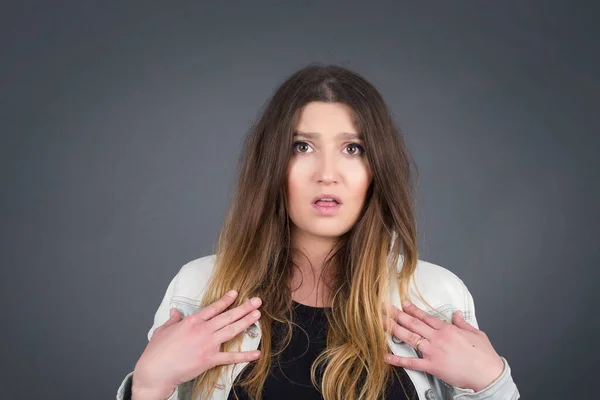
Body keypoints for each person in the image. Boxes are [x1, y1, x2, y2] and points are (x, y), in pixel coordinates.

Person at [116, 65, 520, 400]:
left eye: (353, 148)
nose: (327, 174)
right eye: (302, 147)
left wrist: (491, 383)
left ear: (377, 168)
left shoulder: (435, 297)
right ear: (272, 164)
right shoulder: (199, 289)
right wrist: (150, 385)